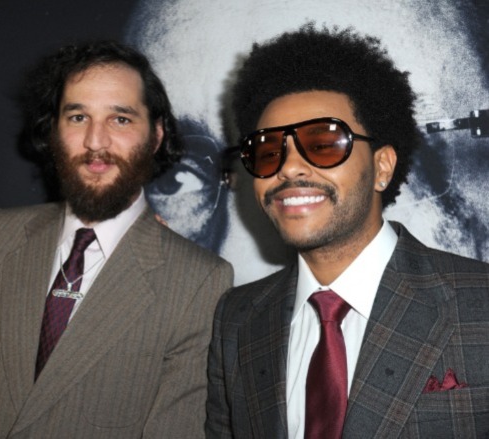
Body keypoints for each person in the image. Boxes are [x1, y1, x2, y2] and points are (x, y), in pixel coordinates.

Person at [0, 39, 234, 438]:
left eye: (120, 119)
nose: (95, 142)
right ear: (53, 131)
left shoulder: (199, 282)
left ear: (155, 136)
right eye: (77, 117)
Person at [205, 24, 489, 438]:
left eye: (322, 142)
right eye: (268, 151)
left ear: (381, 167)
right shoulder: (237, 320)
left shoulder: (479, 304)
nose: (288, 167)